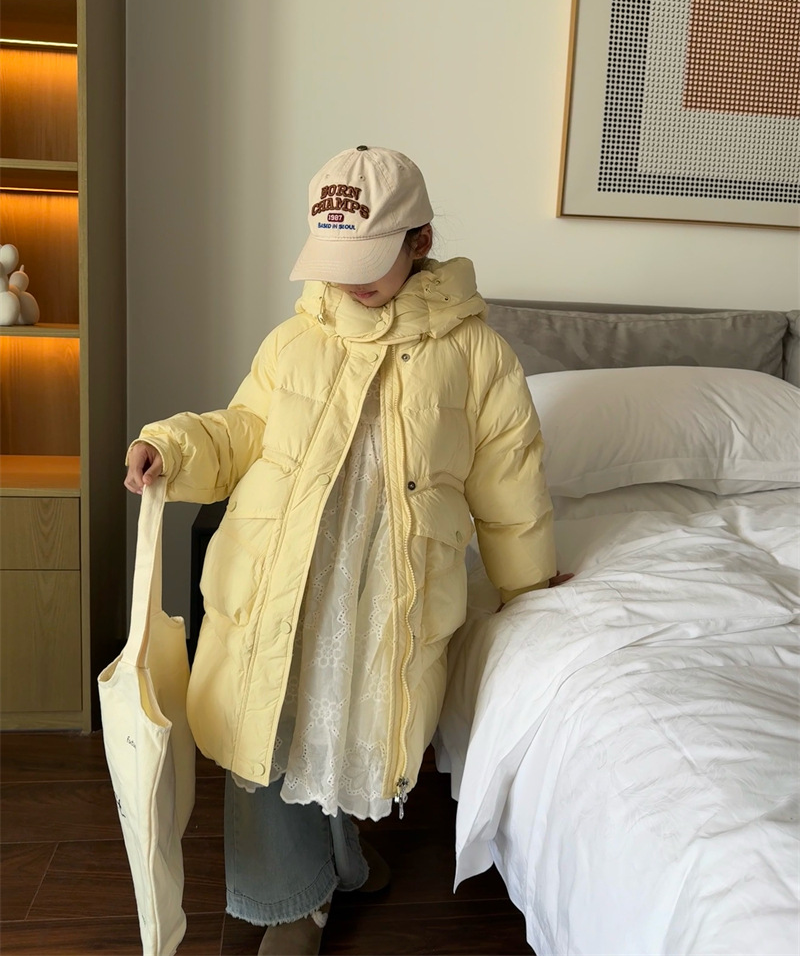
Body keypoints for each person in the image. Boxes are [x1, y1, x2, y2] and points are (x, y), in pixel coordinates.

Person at [125, 145, 567, 955]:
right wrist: (173, 447)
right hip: (282, 579)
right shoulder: (294, 341)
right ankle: (286, 903)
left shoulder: (478, 358)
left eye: (367, 261)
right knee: (267, 731)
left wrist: (530, 584)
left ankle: (340, 862)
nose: (348, 282)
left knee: (336, 731)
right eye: (335, 263)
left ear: (420, 241)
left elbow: (509, 483)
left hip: (380, 593)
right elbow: (240, 431)